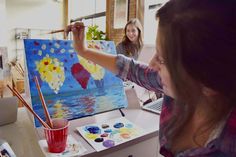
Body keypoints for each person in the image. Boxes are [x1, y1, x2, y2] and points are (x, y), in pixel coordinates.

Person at [66, 0, 236, 156]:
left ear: (207, 80)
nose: (152, 64)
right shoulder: (180, 88)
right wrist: (83, 51)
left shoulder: (226, 146)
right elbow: (131, 69)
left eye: (162, 59)